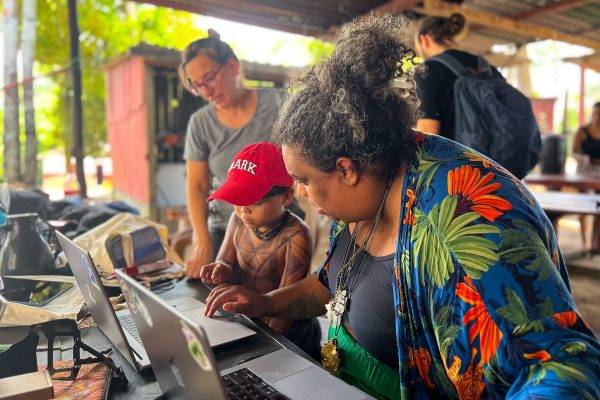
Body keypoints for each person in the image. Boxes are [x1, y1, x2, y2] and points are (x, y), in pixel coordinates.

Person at [203, 16, 600, 400]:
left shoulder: (470, 214)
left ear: (346, 169)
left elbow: (564, 368)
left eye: (304, 180)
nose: (301, 193)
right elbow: (335, 285)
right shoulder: (367, 182)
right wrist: (268, 302)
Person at [191, 141, 321, 359]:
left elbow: (285, 310)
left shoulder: (296, 236)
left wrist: (259, 351)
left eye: (254, 201)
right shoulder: (237, 220)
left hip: (289, 335)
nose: (243, 210)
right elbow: (225, 262)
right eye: (237, 199)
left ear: (286, 197)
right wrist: (220, 269)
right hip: (249, 323)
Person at [180, 30, 286, 277]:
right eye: (197, 85)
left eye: (209, 78)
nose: (206, 91)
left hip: (278, 225)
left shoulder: (280, 104)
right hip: (226, 230)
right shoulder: (201, 124)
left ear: (232, 66)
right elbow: (197, 186)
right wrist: (202, 240)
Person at [413, 13, 503, 139]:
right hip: (499, 150)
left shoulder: (427, 70)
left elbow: (428, 133)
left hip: (457, 151)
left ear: (424, 40)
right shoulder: (487, 67)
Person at [573, 101, 600, 165]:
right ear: (592, 114)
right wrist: (582, 158)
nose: (597, 117)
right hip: (585, 168)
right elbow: (573, 153)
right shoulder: (582, 131)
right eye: (595, 113)